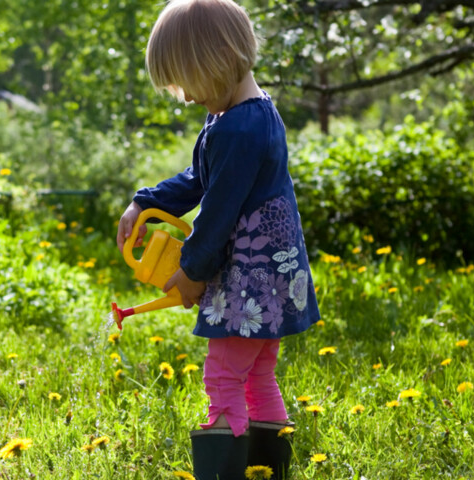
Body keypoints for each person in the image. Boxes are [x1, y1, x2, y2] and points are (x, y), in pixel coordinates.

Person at [115, 1, 322, 478]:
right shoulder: (242, 117)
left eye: (186, 83)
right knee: (257, 373)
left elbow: (219, 212)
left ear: (216, 61)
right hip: (270, 276)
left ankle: (226, 472)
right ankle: (268, 470)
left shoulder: (240, 128)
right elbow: (199, 178)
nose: (186, 98)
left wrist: (191, 271)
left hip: (250, 279)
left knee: (224, 374)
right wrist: (144, 202)